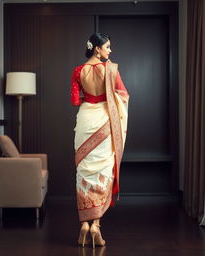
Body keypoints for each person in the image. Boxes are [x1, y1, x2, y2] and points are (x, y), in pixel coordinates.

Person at [70, 33, 129, 248]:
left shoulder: (78, 71)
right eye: (107, 47)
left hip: (86, 121)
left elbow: (75, 100)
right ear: (97, 49)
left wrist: (90, 97)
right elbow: (124, 95)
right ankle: (96, 226)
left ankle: (84, 225)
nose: (110, 51)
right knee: (103, 171)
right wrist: (108, 97)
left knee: (85, 171)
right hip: (105, 121)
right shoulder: (110, 69)